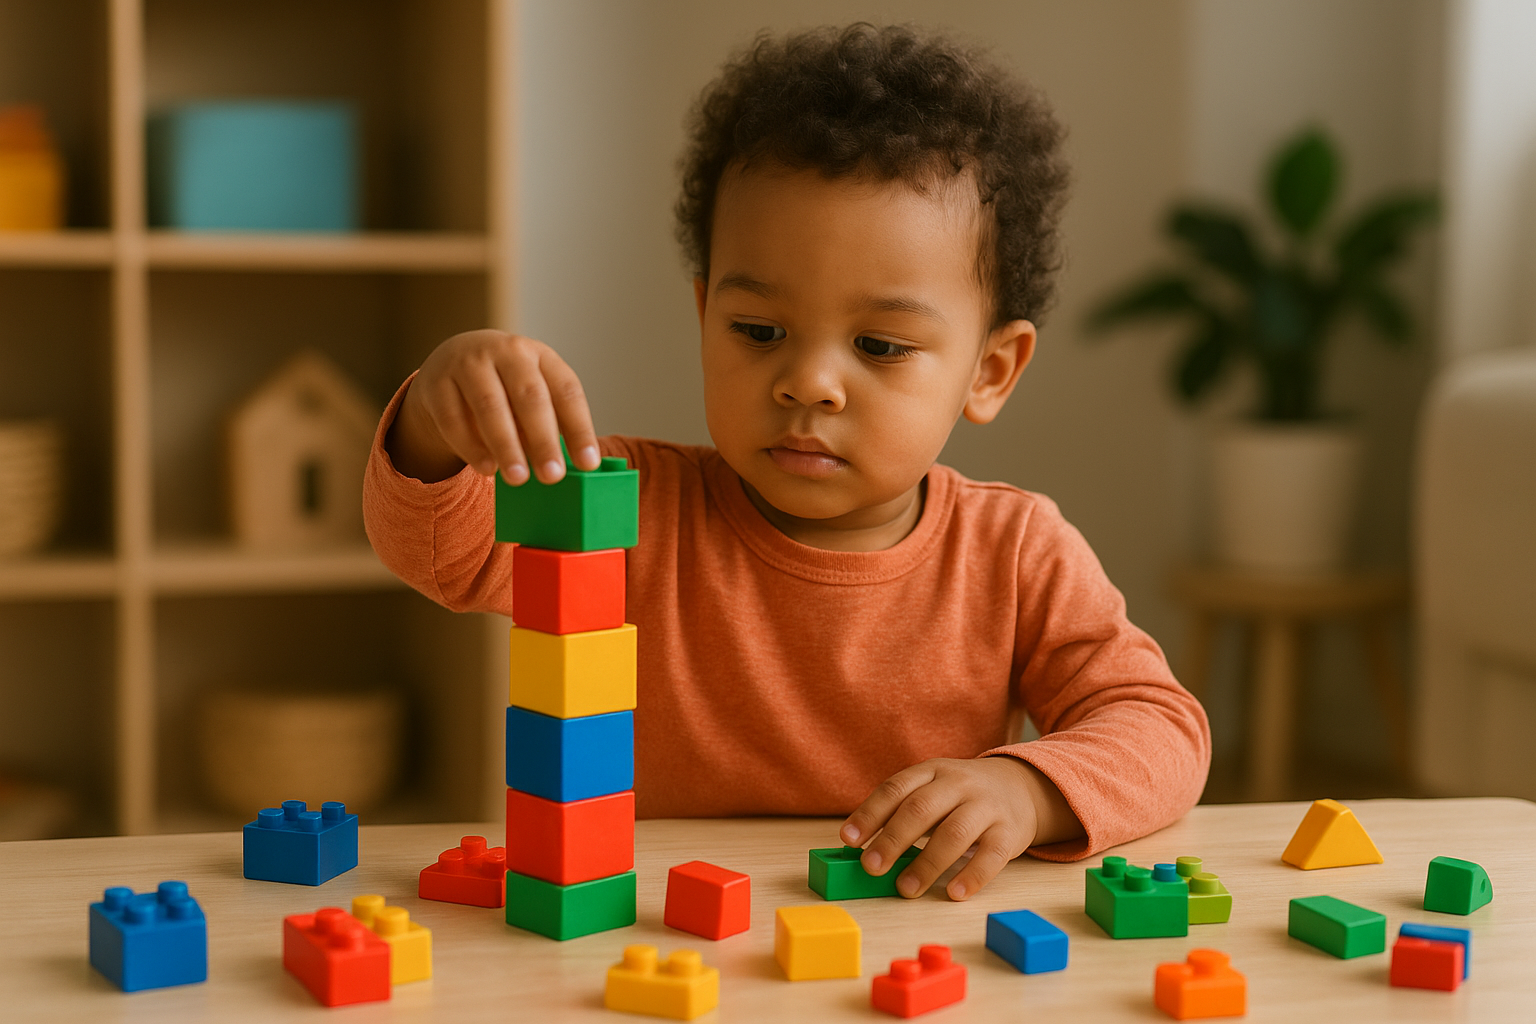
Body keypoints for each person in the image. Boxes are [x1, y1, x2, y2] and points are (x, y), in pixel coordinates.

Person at [365, 23, 1209, 902]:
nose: (808, 383)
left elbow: (1161, 730)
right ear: (704, 316)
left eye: (880, 345)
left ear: (989, 371)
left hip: (906, 942)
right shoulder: (622, 506)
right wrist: (436, 420)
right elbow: (440, 555)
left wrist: (1025, 789)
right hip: (663, 941)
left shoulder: (1017, 552)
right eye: (758, 332)